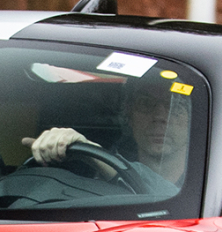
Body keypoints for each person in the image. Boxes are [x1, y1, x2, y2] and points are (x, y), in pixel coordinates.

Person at [23, 75, 191, 187]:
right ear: (128, 113)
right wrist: (70, 145)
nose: (160, 116)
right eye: (145, 103)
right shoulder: (86, 175)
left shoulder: (211, 180)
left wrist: (94, 155)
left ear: (192, 118)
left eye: (175, 107)